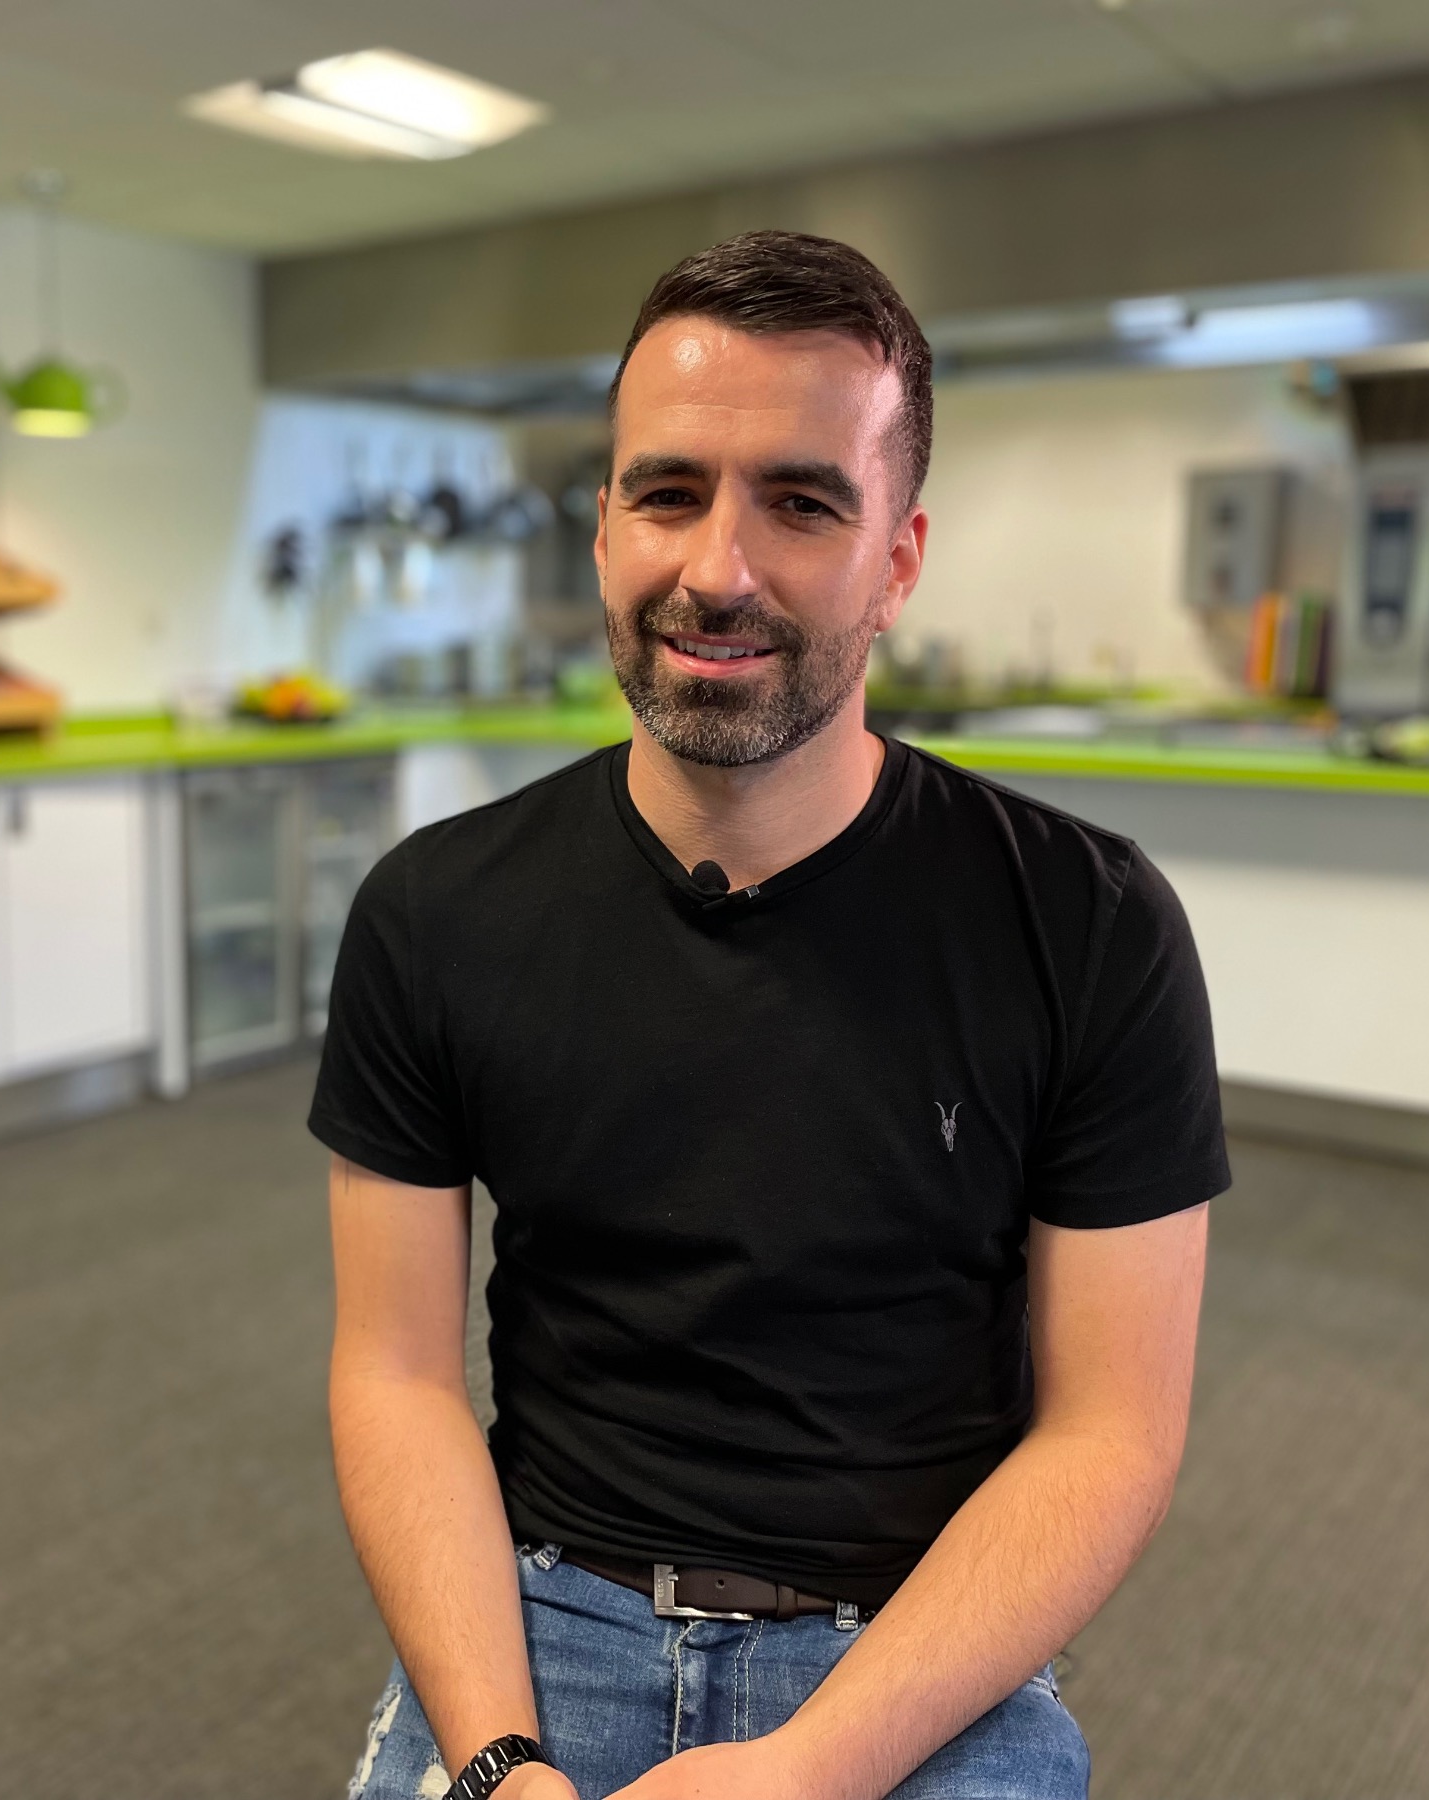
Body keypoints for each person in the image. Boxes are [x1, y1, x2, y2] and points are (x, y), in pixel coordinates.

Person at [312, 230, 1227, 1800]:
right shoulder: (434, 910)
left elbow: (1111, 1436)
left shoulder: (1087, 925)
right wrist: (494, 1764)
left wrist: (805, 1769)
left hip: (911, 1648)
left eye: (802, 502)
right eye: (667, 491)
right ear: (605, 526)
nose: (716, 569)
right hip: (536, 1631)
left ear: (901, 557)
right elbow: (393, 1375)